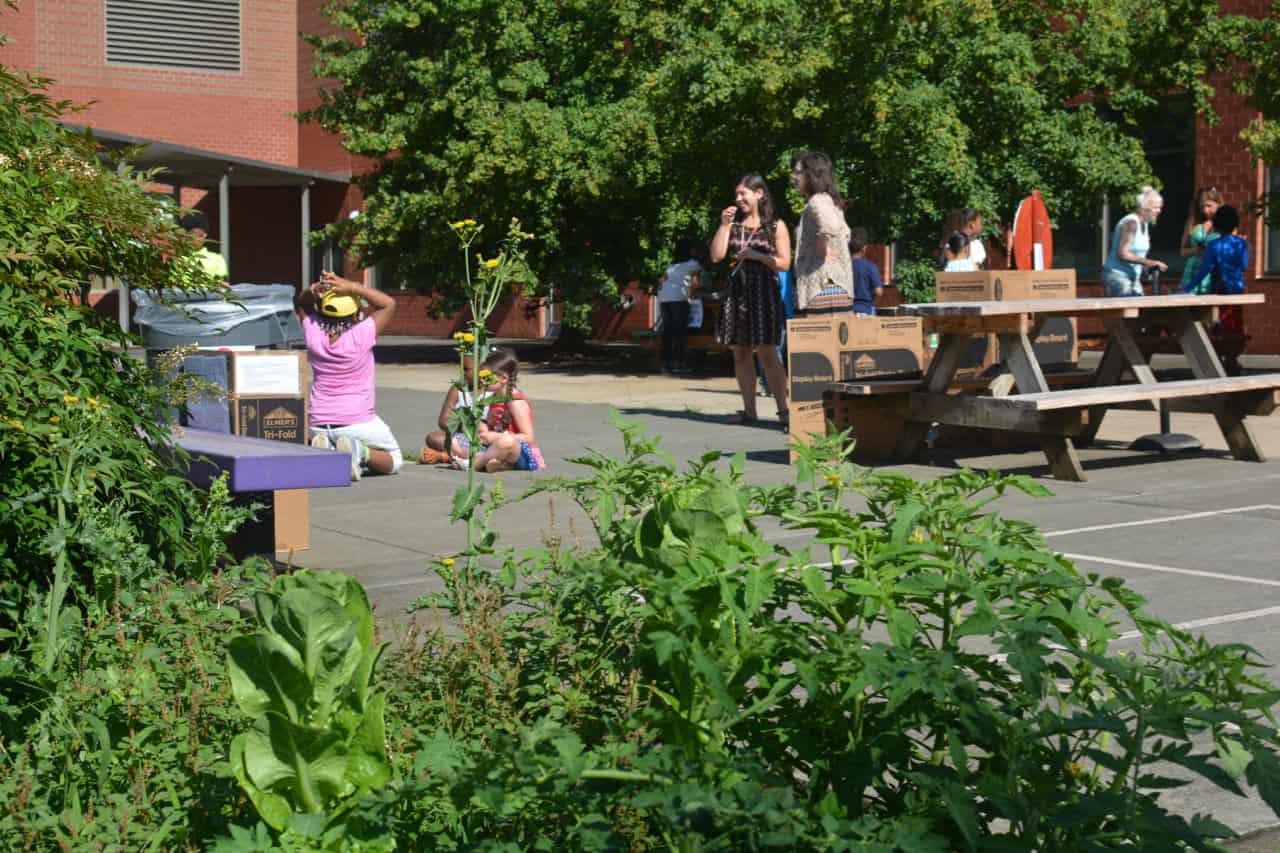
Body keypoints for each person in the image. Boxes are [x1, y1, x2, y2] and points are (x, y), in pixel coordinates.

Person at [297, 271, 402, 480]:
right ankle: (359, 451)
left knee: (332, 438)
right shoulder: (361, 334)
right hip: (357, 422)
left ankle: (327, 445)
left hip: (318, 422)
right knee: (395, 458)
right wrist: (354, 287)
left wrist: (316, 290)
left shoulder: (313, 332)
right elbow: (388, 304)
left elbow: (303, 303)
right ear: (355, 315)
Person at [710, 173, 791, 428]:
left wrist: (757, 255)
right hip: (737, 294)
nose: (738, 198)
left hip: (764, 294)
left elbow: (785, 263)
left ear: (759, 194)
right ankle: (749, 411)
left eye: (743, 193)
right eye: (737, 194)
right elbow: (716, 256)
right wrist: (723, 225)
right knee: (741, 353)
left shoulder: (775, 226)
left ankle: (784, 411)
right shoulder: (733, 226)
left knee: (768, 352)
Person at [450, 348, 546, 472]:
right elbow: (492, 426)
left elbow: (529, 437)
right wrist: (483, 427)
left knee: (506, 441)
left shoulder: (516, 402)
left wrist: (496, 437)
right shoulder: (494, 397)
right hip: (493, 447)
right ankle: (492, 462)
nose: (482, 381)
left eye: (487, 378)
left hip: (519, 452)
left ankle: (474, 464)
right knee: (453, 440)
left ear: (504, 378)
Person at [791, 151, 854, 315]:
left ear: (812, 175)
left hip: (821, 288)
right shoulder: (831, 201)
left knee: (817, 339)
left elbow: (830, 226)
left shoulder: (817, 200)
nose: (794, 177)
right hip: (837, 288)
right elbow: (846, 233)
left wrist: (821, 246)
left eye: (798, 172)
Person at [1186, 204, 1249, 337]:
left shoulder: (1214, 246)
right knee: (1235, 321)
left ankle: (1223, 350)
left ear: (1217, 224)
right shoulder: (1242, 244)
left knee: (1221, 322)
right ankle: (1234, 351)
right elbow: (1244, 266)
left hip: (1220, 287)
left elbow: (1204, 270)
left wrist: (1187, 288)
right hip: (1237, 287)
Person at [418, 354, 483, 465]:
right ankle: (471, 458)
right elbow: (443, 420)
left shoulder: (492, 390)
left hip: (484, 439)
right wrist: (464, 425)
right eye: (461, 369)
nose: (463, 373)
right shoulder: (457, 389)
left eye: (466, 369)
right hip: (462, 437)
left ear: (482, 369)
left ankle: (446, 456)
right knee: (433, 437)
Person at [1102, 186, 1168, 297]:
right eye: (1156, 208)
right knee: (1129, 311)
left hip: (1133, 278)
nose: (1159, 211)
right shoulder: (1131, 223)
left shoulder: (1145, 224)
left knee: (1141, 311)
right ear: (1144, 207)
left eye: (1160, 208)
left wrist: (1146, 267)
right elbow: (1123, 253)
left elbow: (1137, 254)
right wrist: (1149, 262)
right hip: (1118, 276)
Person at [657, 237, 704, 374]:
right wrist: (692, 295)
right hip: (678, 298)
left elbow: (662, 281)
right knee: (679, 332)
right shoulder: (693, 264)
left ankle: (665, 363)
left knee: (667, 331)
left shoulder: (671, 266)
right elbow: (695, 283)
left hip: (664, 298)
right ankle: (679, 364)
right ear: (690, 250)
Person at [1180, 186, 1224, 293]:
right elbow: (1183, 251)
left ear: (1218, 203)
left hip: (1213, 272)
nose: (1205, 210)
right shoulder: (1193, 222)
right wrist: (1195, 251)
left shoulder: (1225, 224)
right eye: (1202, 207)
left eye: (1209, 206)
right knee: (1189, 307)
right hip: (1192, 271)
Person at [178, 212, 228, 285]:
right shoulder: (177, 258)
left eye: (201, 235)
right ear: (185, 235)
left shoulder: (217, 259)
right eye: (193, 234)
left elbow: (223, 287)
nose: (196, 239)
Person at [849, 227, 883, 315]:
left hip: (847, 311)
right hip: (866, 310)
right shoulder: (870, 266)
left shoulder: (843, 268)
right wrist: (873, 305)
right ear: (864, 248)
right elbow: (879, 292)